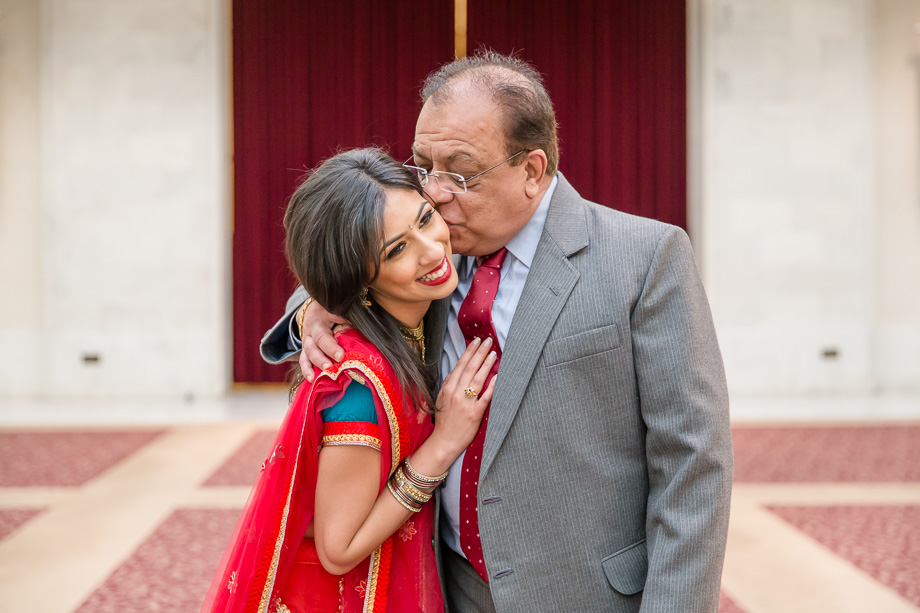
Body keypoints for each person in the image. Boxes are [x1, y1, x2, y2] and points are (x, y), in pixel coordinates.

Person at [262, 52, 733, 613]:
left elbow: (693, 466)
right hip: (445, 586)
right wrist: (312, 307)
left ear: (532, 171)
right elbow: (350, 257)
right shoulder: (433, 252)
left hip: (588, 595)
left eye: (459, 174)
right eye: (422, 166)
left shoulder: (645, 258)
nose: (434, 193)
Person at [204, 148, 498, 613]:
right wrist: (444, 443)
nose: (431, 250)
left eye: (425, 219)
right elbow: (337, 550)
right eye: (397, 250)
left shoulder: (410, 325)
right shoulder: (360, 386)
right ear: (358, 279)